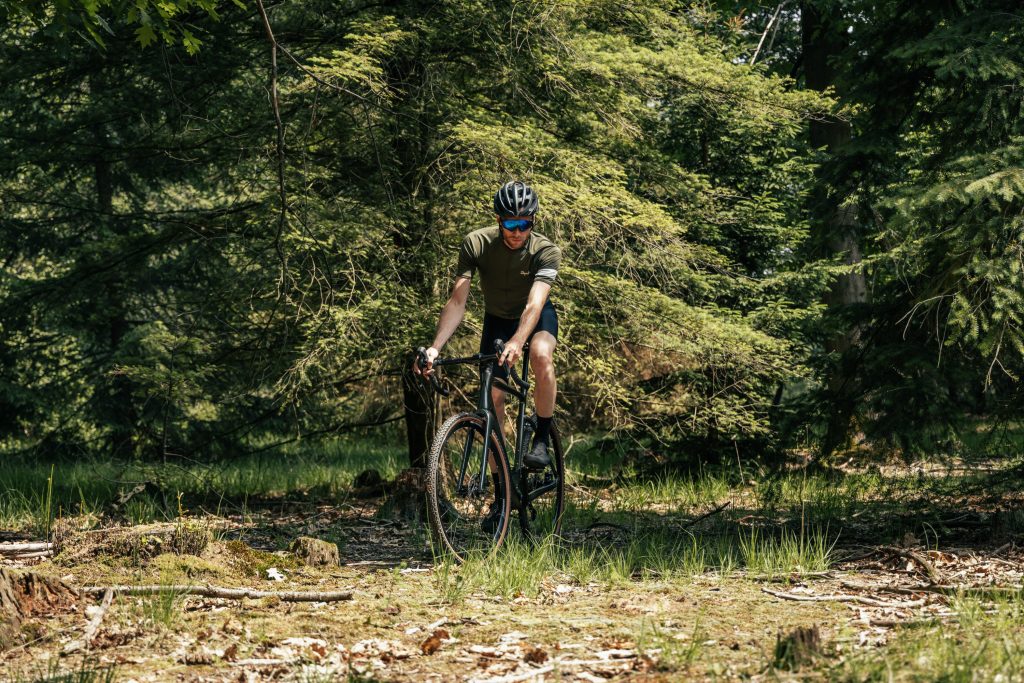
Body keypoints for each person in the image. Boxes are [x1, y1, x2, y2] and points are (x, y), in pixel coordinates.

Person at [415, 180, 561, 472]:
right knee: (493, 399)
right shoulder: (476, 243)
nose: (518, 231)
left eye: (525, 223)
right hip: (497, 319)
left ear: (534, 220)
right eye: (510, 223)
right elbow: (457, 303)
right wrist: (434, 348)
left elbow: (534, 304)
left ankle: (542, 439)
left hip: (536, 316)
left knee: (542, 354)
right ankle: (500, 491)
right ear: (498, 219)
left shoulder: (546, 250)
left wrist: (519, 340)